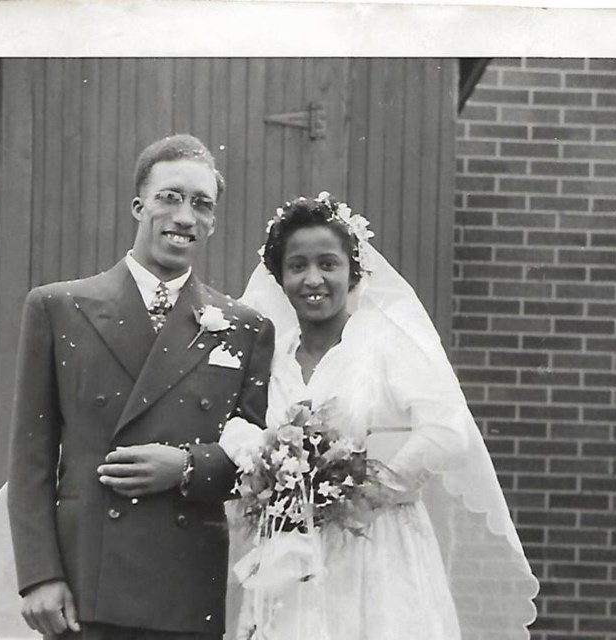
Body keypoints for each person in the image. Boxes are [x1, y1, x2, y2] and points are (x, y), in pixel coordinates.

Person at [0, 134, 275, 640]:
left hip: (186, 583)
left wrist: (186, 467)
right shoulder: (59, 308)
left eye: (201, 204)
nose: (185, 216)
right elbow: (31, 457)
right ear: (138, 205)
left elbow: (253, 460)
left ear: (212, 222)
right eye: (170, 197)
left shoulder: (245, 327)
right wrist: (39, 577)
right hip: (87, 580)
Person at [222, 193, 539, 639]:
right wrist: (267, 467)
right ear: (280, 276)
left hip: (376, 549)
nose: (313, 279)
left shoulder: (383, 341)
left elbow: (446, 429)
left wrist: (366, 488)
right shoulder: (272, 355)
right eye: (298, 266)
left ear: (353, 271)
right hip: (288, 557)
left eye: (328, 264)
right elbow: (239, 427)